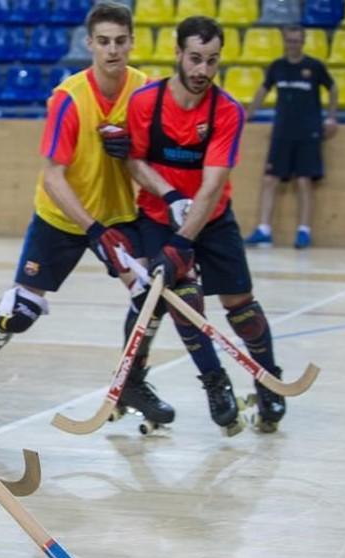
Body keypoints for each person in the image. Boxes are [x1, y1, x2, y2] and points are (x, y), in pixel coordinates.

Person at [0, 1, 173, 436]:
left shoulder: (146, 92)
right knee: (21, 310)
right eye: (103, 41)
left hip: (122, 213)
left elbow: (153, 157)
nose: (112, 50)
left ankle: (130, 383)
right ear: (89, 44)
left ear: (132, 43)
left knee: (149, 297)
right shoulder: (69, 99)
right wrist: (93, 229)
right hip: (65, 217)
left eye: (120, 41)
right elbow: (53, 177)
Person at [124, 15, 286, 435]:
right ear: (178, 53)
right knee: (184, 301)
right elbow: (134, 161)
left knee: (241, 304)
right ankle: (216, 383)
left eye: (212, 61)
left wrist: (183, 240)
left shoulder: (227, 110)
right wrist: (172, 196)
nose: (202, 71)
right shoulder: (146, 102)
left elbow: (213, 186)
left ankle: (268, 380)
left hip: (211, 220)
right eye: (195, 58)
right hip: (159, 216)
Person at [242, 24, 337, 250]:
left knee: (304, 181)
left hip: (308, 132)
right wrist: (248, 114)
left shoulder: (314, 67)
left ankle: (304, 231)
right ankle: (264, 230)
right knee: (270, 179)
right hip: (282, 131)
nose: (292, 44)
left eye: (296, 40)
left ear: (303, 42)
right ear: (284, 41)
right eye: (289, 40)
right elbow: (263, 90)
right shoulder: (277, 67)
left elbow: (332, 88)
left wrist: (331, 118)